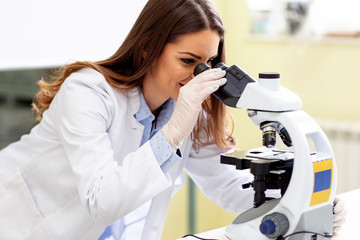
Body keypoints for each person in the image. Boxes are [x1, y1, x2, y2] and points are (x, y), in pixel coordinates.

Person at [0, 0, 346, 239]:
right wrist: (175, 129)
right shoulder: (88, 92)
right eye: (187, 60)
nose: (198, 75)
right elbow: (102, 201)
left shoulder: (185, 107)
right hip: (17, 225)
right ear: (148, 47)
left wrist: (302, 200)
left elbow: (227, 186)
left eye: (208, 63)